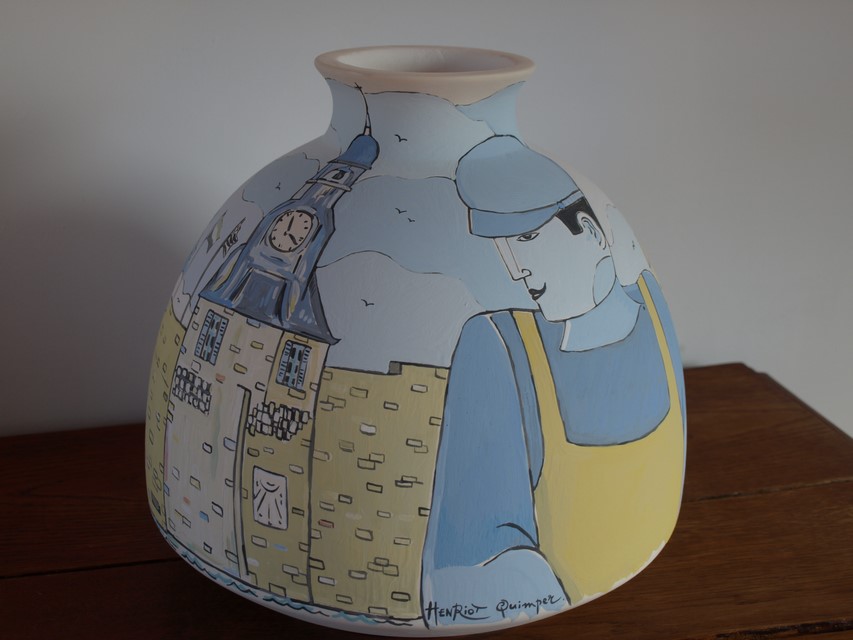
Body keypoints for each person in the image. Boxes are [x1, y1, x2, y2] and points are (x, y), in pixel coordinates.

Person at [421, 136, 685, 628]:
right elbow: (469, 562)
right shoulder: (500, 345)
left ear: (592, 232)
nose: (515, 269)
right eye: (501, 247)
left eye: (525, 239)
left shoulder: (650, 302)